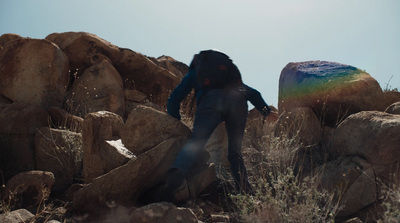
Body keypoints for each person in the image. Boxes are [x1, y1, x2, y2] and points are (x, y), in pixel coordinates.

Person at [163, 50, 271, 200]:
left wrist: (175, 121)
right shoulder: (230, 77)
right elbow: (254, 94)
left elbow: (174, 99)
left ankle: (176, 175)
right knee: (235, 153)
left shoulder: (197, 72)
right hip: (238, 100)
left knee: (196, 143)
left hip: (211, 100)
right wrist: (266, 111)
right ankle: (246, 192)